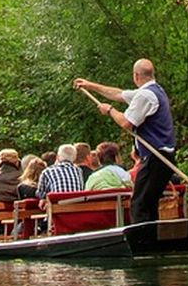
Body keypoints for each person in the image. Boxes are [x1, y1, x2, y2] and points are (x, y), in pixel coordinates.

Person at [74, 58, 176, 223]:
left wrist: (110, 110)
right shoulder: (155, 90)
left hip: (156, 156)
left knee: (139, 203)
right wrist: (89, 85)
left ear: (136, 76)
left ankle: (143, 241)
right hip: (163, 156)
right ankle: (153, 237)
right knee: (148, 201)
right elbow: (118, 94)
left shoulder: (145, 95)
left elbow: (126, 123)